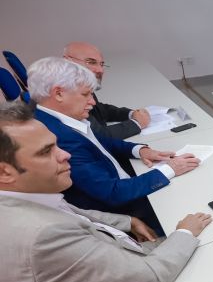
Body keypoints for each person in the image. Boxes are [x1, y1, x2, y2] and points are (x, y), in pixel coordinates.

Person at [0, 99, 212, 282]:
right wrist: (185, 233)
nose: (65, 156)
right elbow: (152, 277)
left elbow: (72, 211)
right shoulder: (40, 238)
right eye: (47, 152)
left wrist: (126, 222)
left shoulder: (17, 199)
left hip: (112, 260)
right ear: (4, 172)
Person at [28, 57, 199, 221]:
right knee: (196, 197)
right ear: (58, 93)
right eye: (86, 95)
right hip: (123, 208)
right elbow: (113, 194)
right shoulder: (58, 138)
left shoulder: (53, 115)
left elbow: (100, 142)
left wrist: (140, 150)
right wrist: (170, 169)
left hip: (122, 184)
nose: (92, 102)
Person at [63, 42, 151, 140]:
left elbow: (99, 110)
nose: (100, 70)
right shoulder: (65, 94)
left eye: (101, 64)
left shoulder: (79, 85)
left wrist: (130, 113)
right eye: (91, 62)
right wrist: (137, 123)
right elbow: (98, 136)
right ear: (67, 61)